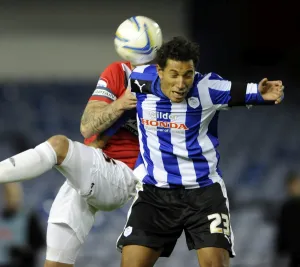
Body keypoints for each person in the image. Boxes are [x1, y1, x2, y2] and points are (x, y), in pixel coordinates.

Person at [116, 36, 285, 267]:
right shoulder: (139, 80)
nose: (181, 83)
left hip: (204, 194)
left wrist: (262, 92)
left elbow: (246, 91)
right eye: (174, 74)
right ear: (160, 71)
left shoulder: (207, 87)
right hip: (154, 195)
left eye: (188, 74)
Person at [0, 60, 140, 267]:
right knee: (56, 263)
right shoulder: (120, 72)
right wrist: (120, 105)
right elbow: (88, 128)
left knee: (59, 146)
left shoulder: (166, 92)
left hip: (123, 175)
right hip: (96, 169)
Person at [0, 183, 45, 267]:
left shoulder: (28, 217)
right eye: (7, 194)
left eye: (12, 194)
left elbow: (39, 244)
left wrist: (23, 252)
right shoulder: (2, 218)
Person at [275, 171, 300, 267]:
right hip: (292, 254)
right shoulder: (286, 207)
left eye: (296, 184)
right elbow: (282, 231)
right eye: (291, 185)